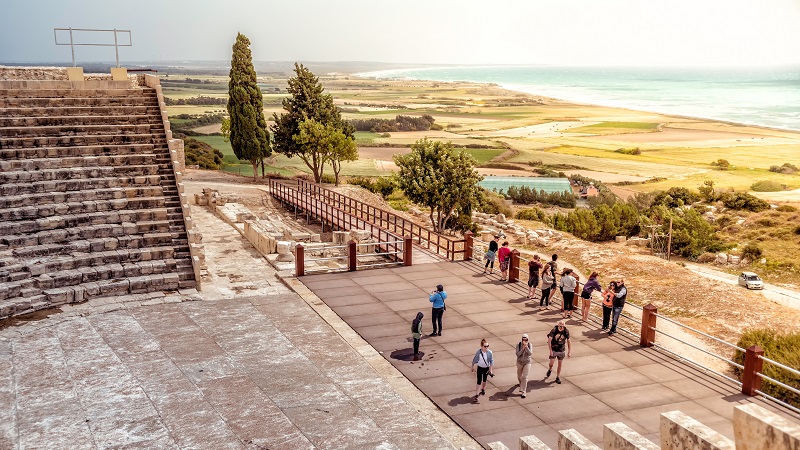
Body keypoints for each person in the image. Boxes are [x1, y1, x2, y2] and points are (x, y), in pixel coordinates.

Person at [545, 320, 571, 384]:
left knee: (560, 364)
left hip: (561, 349)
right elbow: (549, 340)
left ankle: (558, 377)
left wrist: (569, 351)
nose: (561, 328)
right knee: (551, 363)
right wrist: (550, 350)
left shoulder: (566, 331)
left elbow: (569, 341)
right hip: (554, 348)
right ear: (558, 325)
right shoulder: (554, 330)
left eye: (563, 326)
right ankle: (550, 369)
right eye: (560, 326)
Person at [471, 338, 494, 402]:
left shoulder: (490, 352)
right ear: (482, 346)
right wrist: (472, 367)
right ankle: (476, 395)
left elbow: (491, 361)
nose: (486, 347)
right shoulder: (479, 352)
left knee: (484, 380)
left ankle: (483, 389)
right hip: (480, 368)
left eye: (487, 346)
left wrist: (490, 370)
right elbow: (474, 359)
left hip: (486, 368)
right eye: (485, 346)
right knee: (479, 381)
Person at [516, 333, 532, 398]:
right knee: (519, 376)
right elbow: (518, 354)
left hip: (527, 362)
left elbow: (530, 353)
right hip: (519, 362)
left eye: (526, 340)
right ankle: (521, 384)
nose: (525, 341)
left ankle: (523, 391)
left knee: (525, 377)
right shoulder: (518, 345)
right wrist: (522, 349)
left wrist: (526, 348)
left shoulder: (530, 345)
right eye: (523, 339)